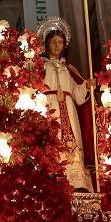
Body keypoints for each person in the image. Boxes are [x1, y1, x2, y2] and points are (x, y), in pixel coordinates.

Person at [38, 17, 93, 192]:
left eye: (60, 42)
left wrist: (86, 86)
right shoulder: (41, 67)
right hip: (50, 107)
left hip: (68, 109)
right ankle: (52, 176)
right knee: (52, 139)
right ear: (46, 45)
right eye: (53, 42)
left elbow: (77, 96)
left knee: (72, 142)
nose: (56, 46)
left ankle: (77, 181)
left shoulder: (68, 69)